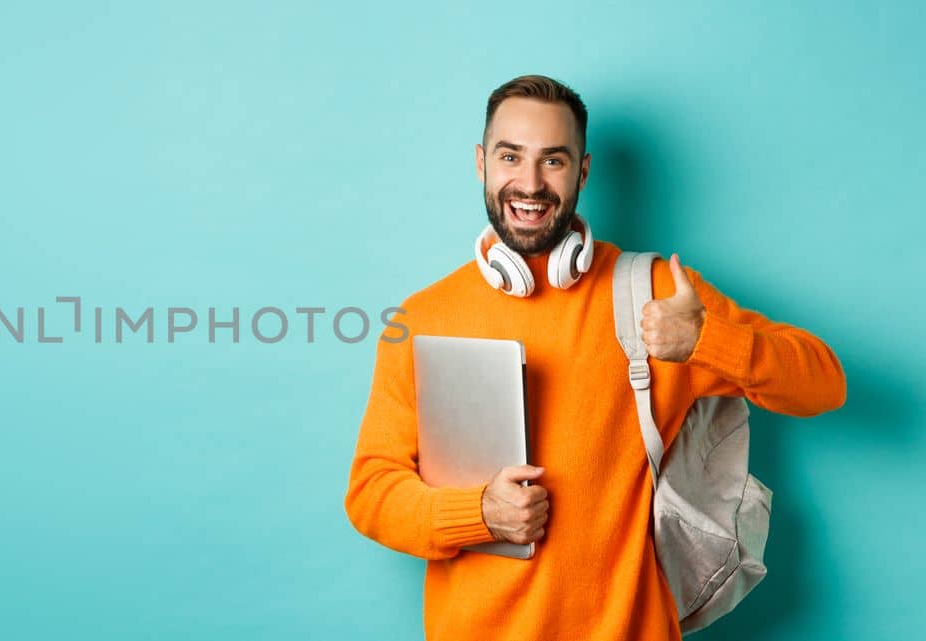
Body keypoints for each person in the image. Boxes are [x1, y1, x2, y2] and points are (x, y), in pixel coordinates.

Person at [342, 74, 847, 640]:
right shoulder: (424, 317)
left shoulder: (655, 294)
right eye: (511, 156)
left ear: (582, 172)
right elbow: (372, 492)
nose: (529, 183)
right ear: (481, 162)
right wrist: (479, 514)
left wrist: (707, 341)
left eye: (553, 161)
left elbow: (824, 383)